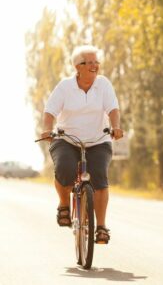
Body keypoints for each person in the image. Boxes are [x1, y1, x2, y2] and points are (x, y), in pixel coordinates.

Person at [41, 45, 123, 244]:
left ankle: (101, 226)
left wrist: (116, 127)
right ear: (78, 66)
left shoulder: (103, 84)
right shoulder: (65, 86)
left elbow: (113, 109)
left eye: (96, 62)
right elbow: (49, 111)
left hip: (98, 139)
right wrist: (47, 129)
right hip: (67, 139)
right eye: (89, 62)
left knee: (100, 178)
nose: (94, 66)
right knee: (65, 168)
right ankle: (63, 204)